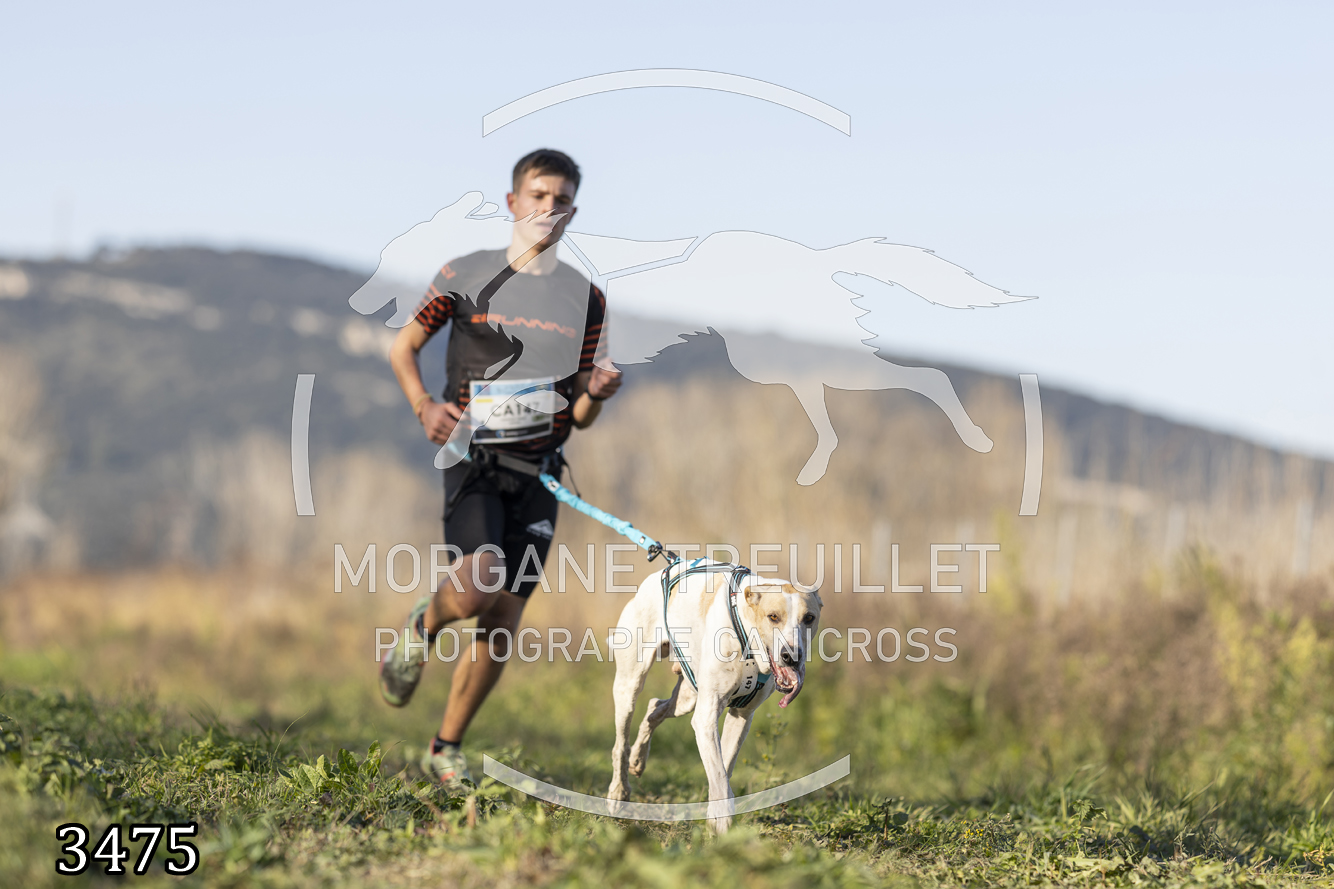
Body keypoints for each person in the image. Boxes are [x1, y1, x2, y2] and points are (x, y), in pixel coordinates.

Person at [380, 149, 622, 787]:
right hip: (474, 460)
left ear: (572, 210)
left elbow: (582, 413)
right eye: (538, 195)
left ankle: (445, 747)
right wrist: (423, 405)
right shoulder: (463, 273)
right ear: (513, 202)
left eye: (561, 199)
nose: (549, 207)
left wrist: (597, 392)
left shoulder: (587, 299)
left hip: (539, 472)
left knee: (503, 618)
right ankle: (424, 623)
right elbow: (403, 348)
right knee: (476, 586)